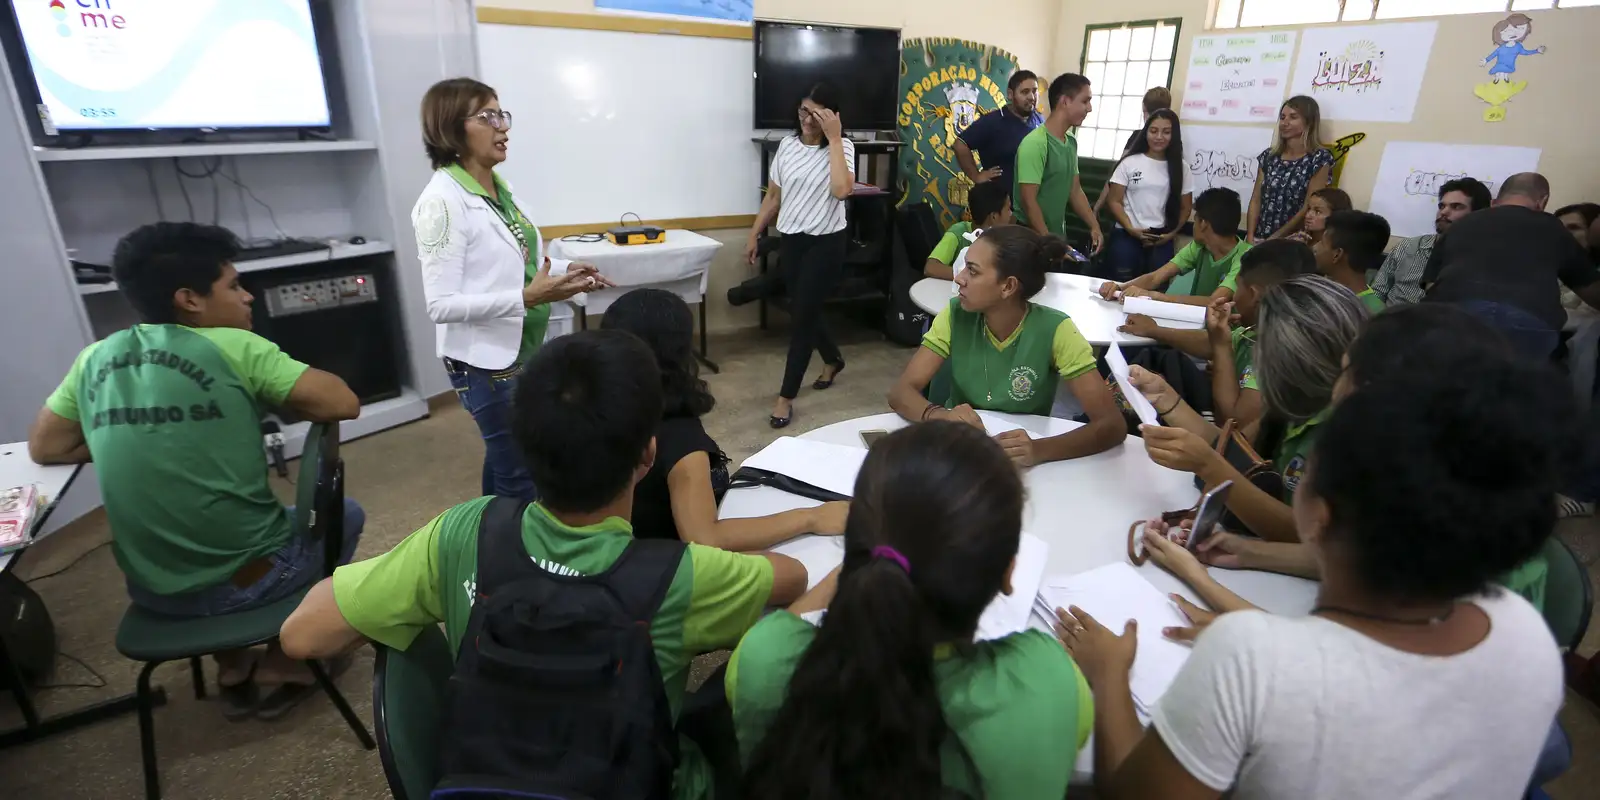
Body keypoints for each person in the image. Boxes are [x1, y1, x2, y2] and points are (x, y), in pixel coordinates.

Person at [279, 330, 809, 799]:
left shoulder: (466, 530)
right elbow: (794, 581)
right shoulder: (683, 577)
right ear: (647, 457)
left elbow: (302, 636)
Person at [1056, 355, 1572, 800]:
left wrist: (1109, 673)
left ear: (1319, 515)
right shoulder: (1524, 633)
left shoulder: (1252, 662)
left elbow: (1130, 792)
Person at [27, 222, 364, 718]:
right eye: (233, 285)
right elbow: (343, 402)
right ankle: (282, 662)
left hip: (151, 593)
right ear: (190, 299)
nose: (248, 297)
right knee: (347, 513)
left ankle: (231, 667)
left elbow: (46, 446)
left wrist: (137, 431)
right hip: (249, 584)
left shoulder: (94, 359)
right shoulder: (236, 348)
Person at [732, 422, 1091, 799]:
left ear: (854, 542)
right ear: (1007, 573)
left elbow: (771, 642)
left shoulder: (767, 660)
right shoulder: (1045, 683)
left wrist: (867, 563)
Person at [413, 77, 610, 501]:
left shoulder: (500, 190)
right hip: (485, 361)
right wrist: (529, 298)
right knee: (520, 474)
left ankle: (486, 541)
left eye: (502, 115)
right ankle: (508, 561)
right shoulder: (442, 201)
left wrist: (565, 269)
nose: (503, 127)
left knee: (506, 458)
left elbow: (517, 259)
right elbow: (440, 305)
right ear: (451, 128)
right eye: (488, 117)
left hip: (522, 347)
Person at [600, 289, 850, 549]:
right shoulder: (680, 440)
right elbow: (705, 539)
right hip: (671, 566)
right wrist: (811, 518)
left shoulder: (604, 408)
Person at [1130, 276, 1367, 542]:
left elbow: (1307, 535)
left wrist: (1211, 467)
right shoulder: (1290, 406)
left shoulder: (1348, 437)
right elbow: (1229, 448)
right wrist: (1166, 398)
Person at [888, 226, 1123, 466]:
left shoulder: (1056, 329)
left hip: (1019, 461)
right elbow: (901, 392)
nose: (959, 278)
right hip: (960, 451)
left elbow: (1111, 425)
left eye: (972, 271)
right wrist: (940, 415)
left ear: (1008, 286)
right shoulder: (955, 314)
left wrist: (1039, 450)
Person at [746, 82, 857, 429]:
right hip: (791, 240)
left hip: (826, 243)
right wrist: (754, 233)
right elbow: (773, 197)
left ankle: (785, 398)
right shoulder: (787, 146)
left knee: (802, 320)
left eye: (817, 113)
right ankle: (833, 359)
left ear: (832, 116)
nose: (808, 119)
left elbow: (842, 190)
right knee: (803, 309)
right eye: (803, 111)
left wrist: (835, 139)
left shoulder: (844, 148)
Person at [1119, 240, 1316, 428]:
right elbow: (1210, 342)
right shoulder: (1257, 329)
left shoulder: (1279, 355)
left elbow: (1232, 424)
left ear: (1254, 295)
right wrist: (1155, 330)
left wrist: (1222, 349)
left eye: (1238, 286)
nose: (1234, 295)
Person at [1423, 172, 1600, 358]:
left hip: (1451, 318)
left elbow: (1431, 285)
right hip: (1526, 323)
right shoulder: (1552, 227)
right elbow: (1593, 292)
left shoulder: (1460, 225)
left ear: (1496, 201)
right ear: (1542, 201)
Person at [1098, 188, 1251, 308]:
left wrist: (1157, 297)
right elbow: (1155, 277)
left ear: (1203, 223)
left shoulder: (1247, 257)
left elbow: (1214, 301)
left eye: (1196, 218)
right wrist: (1118, 286)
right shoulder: (1199, 246)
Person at [1014, 73, 1102, 252]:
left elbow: (1075, 190)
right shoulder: (1035, 144)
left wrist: (1095, 226)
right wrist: (1049, 242)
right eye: (1085, 101)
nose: (1090, 108)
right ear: (1065, 101)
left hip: (1055, 238)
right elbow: (1028, 200)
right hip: (1030, 240)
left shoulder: (1070, 141)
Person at [1103, 110, 1193, 282]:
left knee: (1155, 291)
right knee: (1118, 286)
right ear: (1146, 132)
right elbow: (1114, 200)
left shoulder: (1182, 169)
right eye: (1153, 131)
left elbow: (1185, 207)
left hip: (1162, 239)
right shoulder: (1129, 162)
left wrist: (1171, 234)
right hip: (1126, 235)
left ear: (1174, 135)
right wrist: (1130, 228)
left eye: (1166, 132)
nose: (1159, 137)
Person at [1371, 177, 1490, 306]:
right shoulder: (1409, 247)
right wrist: (1379, 321)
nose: (1444, 212)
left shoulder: (1479, 259)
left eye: (1456, 207)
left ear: (1477, 214)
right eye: (1442, 206)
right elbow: (1375, 293)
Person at [1246, 96, 1334, 243]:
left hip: (1293, 241)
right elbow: (1256, 198)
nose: (1285, 123)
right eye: (1282, 117)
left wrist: (1275, 239)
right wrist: (1249, 236)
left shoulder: (1318, 159)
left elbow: (1309, 206)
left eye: (1293, 117)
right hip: (1259, 237)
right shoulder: (1269, 156)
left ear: (1309, 122)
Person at [954, 69, 1044, 187]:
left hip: (1029, 199)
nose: (1032, 97)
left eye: (1034, 91)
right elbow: (960, 144)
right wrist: (976, 176)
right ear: (1011, 94)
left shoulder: (1039, 120)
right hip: (1000, 200)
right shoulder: (993, 121)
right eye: (1025, 92)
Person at [924, 179, 1012, 280]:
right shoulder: (958, 233)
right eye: (1008, 209)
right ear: (994, 216)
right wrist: (970, 277)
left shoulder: (1006, 237)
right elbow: (931, 267)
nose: (1011, 214)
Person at [1313, 210, 1389, 314]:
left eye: (1321, 242)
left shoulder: (1333, 311)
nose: (1315, 247)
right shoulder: (1375, 308)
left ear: (1337, 254)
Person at [1287, 187, 1351, 247]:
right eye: (1309, 209)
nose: (1308, 215)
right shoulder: (1299, 239)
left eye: (1318, 211)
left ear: (1336, 216)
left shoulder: (1338, 249)